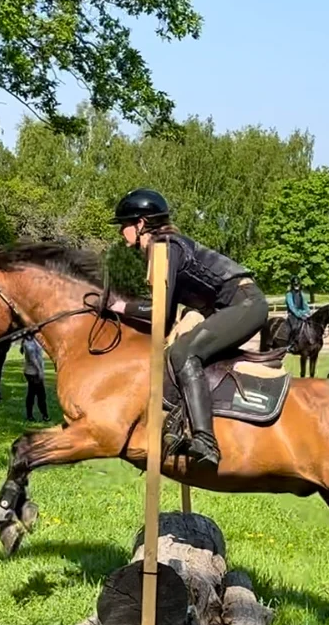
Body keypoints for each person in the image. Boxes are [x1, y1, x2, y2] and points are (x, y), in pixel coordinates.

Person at [107, 188, 268, 470]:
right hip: (234, 307)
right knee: (177, 349)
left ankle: (206, 441)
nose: (122, 232)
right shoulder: (162, 248)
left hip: (245, 305)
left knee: (183, 352)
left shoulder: (164, 248)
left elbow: (158, 312)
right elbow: (165, 319)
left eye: (125, 224)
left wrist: (120, 307)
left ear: (141, 224)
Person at [20, 333, 50, 422]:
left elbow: (40, 353)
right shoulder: (27, 343)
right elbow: (33, 359)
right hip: (32, 373)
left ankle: (30, 415)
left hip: (35, 372)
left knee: (32, 394)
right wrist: (40, 371)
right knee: (40, 394)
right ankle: (45, 415)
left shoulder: (34, 340)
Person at [285, 276, 310, 343]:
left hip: (303, 314)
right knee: (295, 328)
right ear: (292, 285)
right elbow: (292, 307)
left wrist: (308, 312)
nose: (297, 286)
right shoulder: (289, 294)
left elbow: (305, 304)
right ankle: (291, 344)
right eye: (295, 284)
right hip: (292, 315)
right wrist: (300, 315)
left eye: (298, 284)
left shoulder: (301, 294)